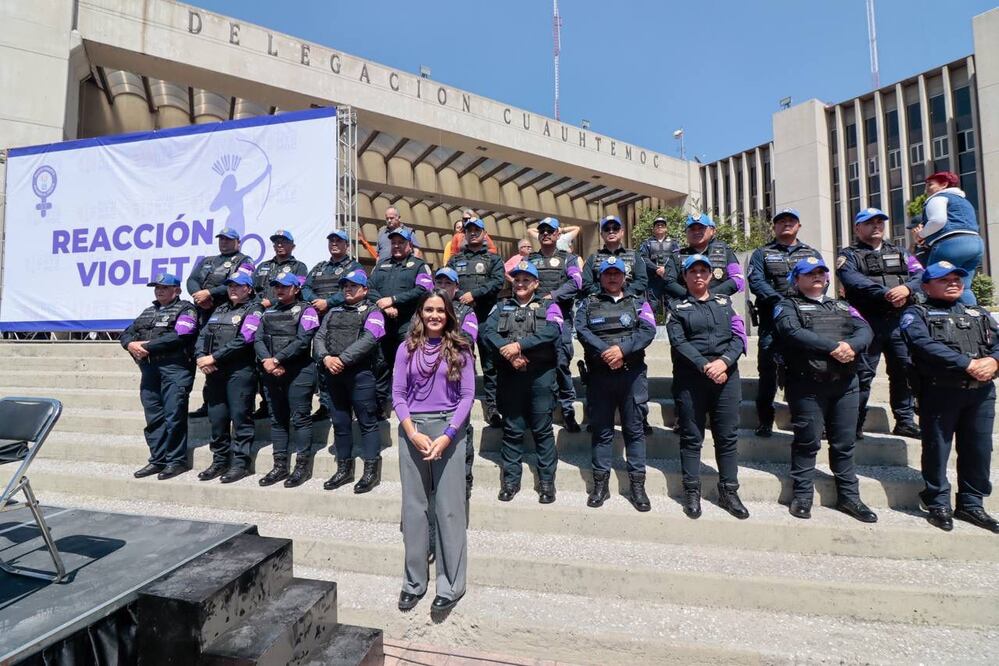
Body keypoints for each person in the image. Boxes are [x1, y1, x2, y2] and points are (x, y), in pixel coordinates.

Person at [774, 257, 878, 523]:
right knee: (807, 441)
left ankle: (849, 497)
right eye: (809, 274)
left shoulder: (843, 305)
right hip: (807, 384)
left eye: (821, 272)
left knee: (844, 443)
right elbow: (791, 331)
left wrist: (852, 346)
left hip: (845, 384)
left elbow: (865, 330)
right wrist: (833, 347)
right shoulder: (787, 305)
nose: (817, 276)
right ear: (797, 280)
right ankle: (803, 495)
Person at [900, 261, 999, 533]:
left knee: (978, 450)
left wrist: (994, 361)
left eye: (957, 278)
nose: (953, 282)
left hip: (980, 393)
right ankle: (937, 502)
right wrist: (965, 364)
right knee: (937, 449)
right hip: (940, 391)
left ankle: (971, 503)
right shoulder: (916, 313)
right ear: (927, 286)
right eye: (944, 279)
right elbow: (922, 344)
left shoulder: (977, 312)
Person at [394, 290, 475, 613]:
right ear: (420, 313)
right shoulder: (405, 348)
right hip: (412, 430)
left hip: (448, 431)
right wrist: (412, 432)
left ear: (449, 314)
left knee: (448, 509)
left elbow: (467, 396)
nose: (434, 315)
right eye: (429, 310)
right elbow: (398, 394)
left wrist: (448, 436)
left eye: (440, 310)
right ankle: (414, 582)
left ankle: (451, 585)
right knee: (414, 510)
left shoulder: (461, 349)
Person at [667, 254, 749, 520]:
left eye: (704, 270)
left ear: (712, 275)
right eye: (693, 271)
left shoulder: (726, 304)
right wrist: (706, 366)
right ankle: (691, 491)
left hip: (726, 377)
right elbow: (679, 343)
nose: (699, 275)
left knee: (726, 437)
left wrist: (723, 363)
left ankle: (729, 490)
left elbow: (739, 336)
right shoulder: (677, 308)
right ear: (685, 277)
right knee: (692, 438)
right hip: (692, 379)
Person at [575, 256, 657, 512]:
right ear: (600, 277)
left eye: (616, 273)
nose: (612, 277)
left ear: (624, 277)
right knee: (601, 432)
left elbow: (648, 331)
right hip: (600, 376)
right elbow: (582, 330)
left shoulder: (639, 302)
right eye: (607, 273)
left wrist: (621, 351)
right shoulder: (588, 304)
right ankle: (600, 484)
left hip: (631, 376)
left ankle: (637, 485)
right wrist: (606, 352)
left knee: (634, 431)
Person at [836, 208, 922, 439]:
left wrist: (907, 288)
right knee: (863, 374)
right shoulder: (849, 255)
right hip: (866, 322)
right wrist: (887, 293)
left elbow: (922, 275)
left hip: (898, 322)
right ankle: (855, 423)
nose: (876, 226)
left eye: (879, 222)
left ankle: (904, 421)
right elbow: (852, 280)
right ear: (857, 228)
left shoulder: (901, 253)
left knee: (904, 371)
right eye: (869, 223)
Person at [484, 261, 563, 504]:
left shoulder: (550, 306)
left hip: (540, 376)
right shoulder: (500, 306)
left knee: (542, 430)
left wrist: (520, 346)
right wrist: (510, 354)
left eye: (526, 280)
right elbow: (487, 332)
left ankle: (547, 483)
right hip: (511, 375)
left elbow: (553, 332)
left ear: (536, 283)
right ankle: (511, 481)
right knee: (513, 429)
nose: (520, 283)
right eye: (517, 279)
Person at [746, 208, 821, 437]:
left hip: (804, 320)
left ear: (798, 226)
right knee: (767, 370)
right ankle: (765, 420)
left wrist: (797, 306)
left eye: (791, 221)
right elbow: (756, 281)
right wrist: (781, 302)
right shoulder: (762, 253)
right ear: (774, 227)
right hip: (772, 319)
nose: (786, 224)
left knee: (803, 369)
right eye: (781, 221)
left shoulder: (810, 253)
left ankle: (802, 417)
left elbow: (821, 280)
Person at [314, 269, 386, 494]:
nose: (348, 289)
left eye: (353, 286)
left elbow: (370, 338)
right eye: (345, 285)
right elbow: (318, 337)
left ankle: (370, 472)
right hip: (333, 373)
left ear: (365, 290)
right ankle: (344, 469)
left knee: (367, 422)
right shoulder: (333, 311)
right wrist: (326, 358)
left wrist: (342, 359)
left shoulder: (373, 311)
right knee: (341, 422)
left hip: (360, 374)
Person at [121, 273, 198, 480]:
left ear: (177, 290)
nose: (159, 290)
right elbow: (127, 333)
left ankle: (176, 461)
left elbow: (180, 335)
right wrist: (130, 344)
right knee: (153, 416)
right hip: (149, 370)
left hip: (174, 369)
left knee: (174, 415)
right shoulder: (149, 311)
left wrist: (146, 346)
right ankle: (158, 460)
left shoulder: (186, 309)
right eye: (157, 287)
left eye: (164, 287)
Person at [193, 272, 262, 484]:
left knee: (241, 417)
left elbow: (245, 339)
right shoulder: (219, 309)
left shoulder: (255, 309)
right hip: (214, 372)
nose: (233, 289)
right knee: (217, 417)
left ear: (248, 289)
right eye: (230, 285)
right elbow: (203, 335)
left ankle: (240, 463)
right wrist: (200, 357)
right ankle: (220, 460)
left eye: (238, 286)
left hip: (240, 372)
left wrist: (213, 357)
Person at [253, 272, 320, 488]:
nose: (279, 290)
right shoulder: (268, 311)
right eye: (276, 286)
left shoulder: (307, 310)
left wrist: (277, 359)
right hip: (271, 371)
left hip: (298, 371)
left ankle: (301, 467)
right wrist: (266, 360)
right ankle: (280, 465)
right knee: (277, 419)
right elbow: (257, 338)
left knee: (300, 418)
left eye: (284, 286)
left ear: (296, 288)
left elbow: (303, 341)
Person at [185, 226, 254, 417]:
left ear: (238, 242)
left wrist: (210, 293)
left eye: (228, 239)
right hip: (206, 313)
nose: (224, 242)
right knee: (208, 353)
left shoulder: (244, 261)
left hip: (232, 312)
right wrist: (198, 296)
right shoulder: (208, 261)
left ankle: (241, 406)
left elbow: (240, 283)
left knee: (230, 357)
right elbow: (192, 280)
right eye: (221, 239)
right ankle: (210, 403)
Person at [368, 227, 434, 415]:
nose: (396, 246)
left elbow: (423, 289)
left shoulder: (419, 265)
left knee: (411, 363)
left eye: (401, 242)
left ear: (409, 245)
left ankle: (414, 404)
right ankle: (379, 405)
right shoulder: (381, 265)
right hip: (384, 323)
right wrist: (385, 306)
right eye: (393, 242)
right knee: (381, 364)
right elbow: (369, 288)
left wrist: (394, 300)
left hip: (409, 322)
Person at [447, 217, 505, 426]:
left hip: (486, 317)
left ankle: (493, 408)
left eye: (477, 230)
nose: (473, 233)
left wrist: (474, 294)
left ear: (484, 234)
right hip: (460, 318)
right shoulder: (455, 259)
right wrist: (463, 294)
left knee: (490, 364)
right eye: (469, 230)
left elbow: (498, 282)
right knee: (461, 361)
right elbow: (447, 282)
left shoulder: (493, 259)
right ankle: (461, 405)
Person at [302, 229, 364, 420]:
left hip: (344, 319)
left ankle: (349, 405)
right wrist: (315, 302)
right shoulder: (320, 267)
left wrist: (328, 303)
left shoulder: (354, 266)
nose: (334, 243)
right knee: (322, 361)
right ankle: (325, 405)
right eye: (331, 240)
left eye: (339, 240)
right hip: (321, 319)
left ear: (347, 245)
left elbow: (353, 291)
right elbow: (305, 287)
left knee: (343, 361)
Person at [528, 217, 583, 432]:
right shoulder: (531, 259)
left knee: (561, 362)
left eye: (550, 231)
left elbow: (576, 282)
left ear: (558, 234)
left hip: (561, 316)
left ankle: (568, 411)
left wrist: (554, 295)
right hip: (535, 318)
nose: (545, 234)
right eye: (542, 231)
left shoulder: (568, 259)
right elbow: (521, 282)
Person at [250, 229, 309, 419]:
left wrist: (272, 302)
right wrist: (262, 304)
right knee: (262, 361)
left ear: (292, 245)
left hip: (286, 316)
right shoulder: (263, 266)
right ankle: (266, 404)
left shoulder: (299, 267)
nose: (279, 244)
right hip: (263, 315)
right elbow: (252, 291)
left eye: (284, 241)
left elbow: (298, 290)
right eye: (276, 242)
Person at [434, 267, 480, 496]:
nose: (443, 286)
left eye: (447, 283)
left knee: (461, 429)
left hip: (457, 377)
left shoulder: (467, 312)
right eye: (439, 282)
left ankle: (464, 479)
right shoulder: (425, 310)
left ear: (456, 287)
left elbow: (468, 339)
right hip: (430, 381)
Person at [919, 171, 983, 305]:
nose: (926, 189)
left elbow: (938, 220)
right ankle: (974, 317)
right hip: (975, 243)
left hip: (951, 243)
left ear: (944, 184)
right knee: (964, 287)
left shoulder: (938, 197)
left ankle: (933, 317)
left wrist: (921, 234)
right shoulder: (964, 201)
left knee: (931, 282)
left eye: (930, 185)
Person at [664, 213, 744, 302]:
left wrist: (709, 296)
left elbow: (737, 278)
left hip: (720, 306)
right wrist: (692, 297)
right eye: (692, 229)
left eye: (701, 228)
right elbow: (668, 282)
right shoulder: (677, 256)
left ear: (712, 230)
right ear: (686, 232)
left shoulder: (726, 252)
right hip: (687, 308)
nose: (696, 232)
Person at [581, 215, 648, 298]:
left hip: (629, 302)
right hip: (600, 304)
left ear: (622, 232)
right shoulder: (592, 258)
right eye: (607, 229)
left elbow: (642, 281)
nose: (611, 231)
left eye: (615, 228)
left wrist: (624, 294)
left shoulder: (635, 256)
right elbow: (586, 282)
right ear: (602, 234)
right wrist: (603, 295)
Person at [638, 215, 679, 317]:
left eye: (662, 225)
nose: (660, 227)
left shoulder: (674, 243)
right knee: (653, 306)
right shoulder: (647, 243)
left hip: (669, 278)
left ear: (666, 228)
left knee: (671, 305)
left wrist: (666, 270)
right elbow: (643, 258)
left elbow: (677, 259)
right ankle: (652, 329)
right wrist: (656, 269)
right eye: (657, 225)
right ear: (654, 229)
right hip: (653, 279)